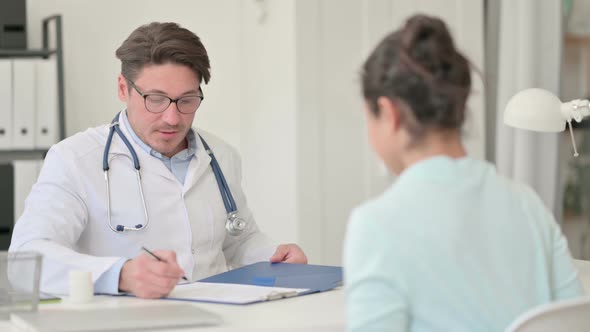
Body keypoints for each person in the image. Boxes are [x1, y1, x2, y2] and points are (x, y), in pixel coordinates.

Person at [9, 22, 306, 299]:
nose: (172, 117)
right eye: (156, 99)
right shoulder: (74, 159)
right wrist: (121, 275)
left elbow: (238, 240)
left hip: (219, 318)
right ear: (123, 89)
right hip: (122, 324)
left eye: (187, 100)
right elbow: (26, 258)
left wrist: (274, 257)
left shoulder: (220, 156)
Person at [343, 14, 584, 332]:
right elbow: (575, 320)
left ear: (390, 114)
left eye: (369, 118)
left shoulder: (375, 226)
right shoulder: (528, 205)